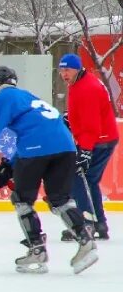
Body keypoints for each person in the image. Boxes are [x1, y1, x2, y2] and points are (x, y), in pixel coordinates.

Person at [0, 65, 98, 275]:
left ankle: (37, 250)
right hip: (66, 148)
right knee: (59, 199)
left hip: (37, 149)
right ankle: (85, 239)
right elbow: (39, 130)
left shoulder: (2, 98)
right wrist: (10, 163)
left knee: (22, 200)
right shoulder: (28, 96)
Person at [57, 53, 118, 241]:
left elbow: (91, 125)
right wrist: (71, 118)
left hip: (99, 140)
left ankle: (87, 225)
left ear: (77, 68)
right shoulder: (78, 83)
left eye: (67, 69)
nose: (64, 74)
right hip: (100, 139)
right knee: (88, 181)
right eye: (61, 70)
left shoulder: (87, 87)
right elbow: (84, 113)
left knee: (79, 179)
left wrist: (84, 151)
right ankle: (99, 223)